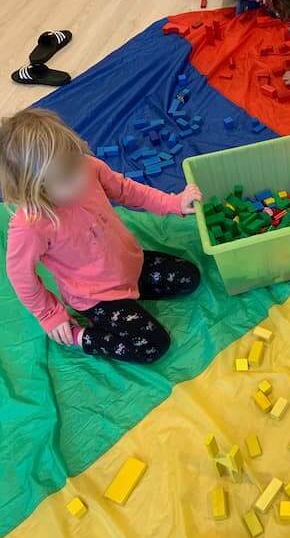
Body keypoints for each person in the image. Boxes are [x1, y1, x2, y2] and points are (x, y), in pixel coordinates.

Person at [0, 109, 202, 364]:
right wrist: (50, 314)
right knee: (154, 346)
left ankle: (132, 294)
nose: (82, 178)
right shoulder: (31, 224)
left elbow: (128, 190)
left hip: (130, 266)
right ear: (35, 189)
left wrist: (173, 203)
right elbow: (21, 275)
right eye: (67, 178)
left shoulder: (88, 167)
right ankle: (80, 337)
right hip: (97, 299)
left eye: (76, 162)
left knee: (190, 277)